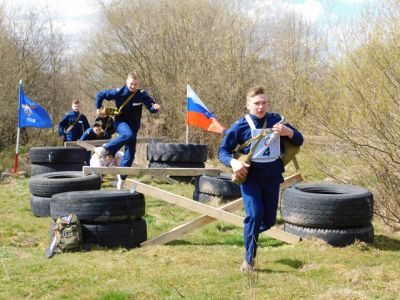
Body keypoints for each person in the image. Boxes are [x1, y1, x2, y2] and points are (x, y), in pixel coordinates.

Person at [218, 86, 303, 273]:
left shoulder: (276, 120)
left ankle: (250, 232)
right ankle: (249, 261)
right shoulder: (240, 126)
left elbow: (299, 140)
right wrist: (233, 163)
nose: (261, 106)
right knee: (254, 216)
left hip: (272, 177)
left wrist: (288, 132)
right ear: (248, 105)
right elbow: (222, 151)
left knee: (269, 221)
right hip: (250, 178)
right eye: (257, 103)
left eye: (264, 102)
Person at [94, 71, 161, 189]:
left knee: (130, 155)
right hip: (120, 123)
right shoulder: (120, 92)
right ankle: (105, 149)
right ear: (127, 82)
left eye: (135, 84)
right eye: (131, 84)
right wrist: (98, 108)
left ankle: (121, 178)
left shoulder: (142, 94)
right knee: (128, 134)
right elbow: (100, 94)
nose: (133, 87)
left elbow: (151, 106)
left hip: (134, 126)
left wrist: (155, 108)